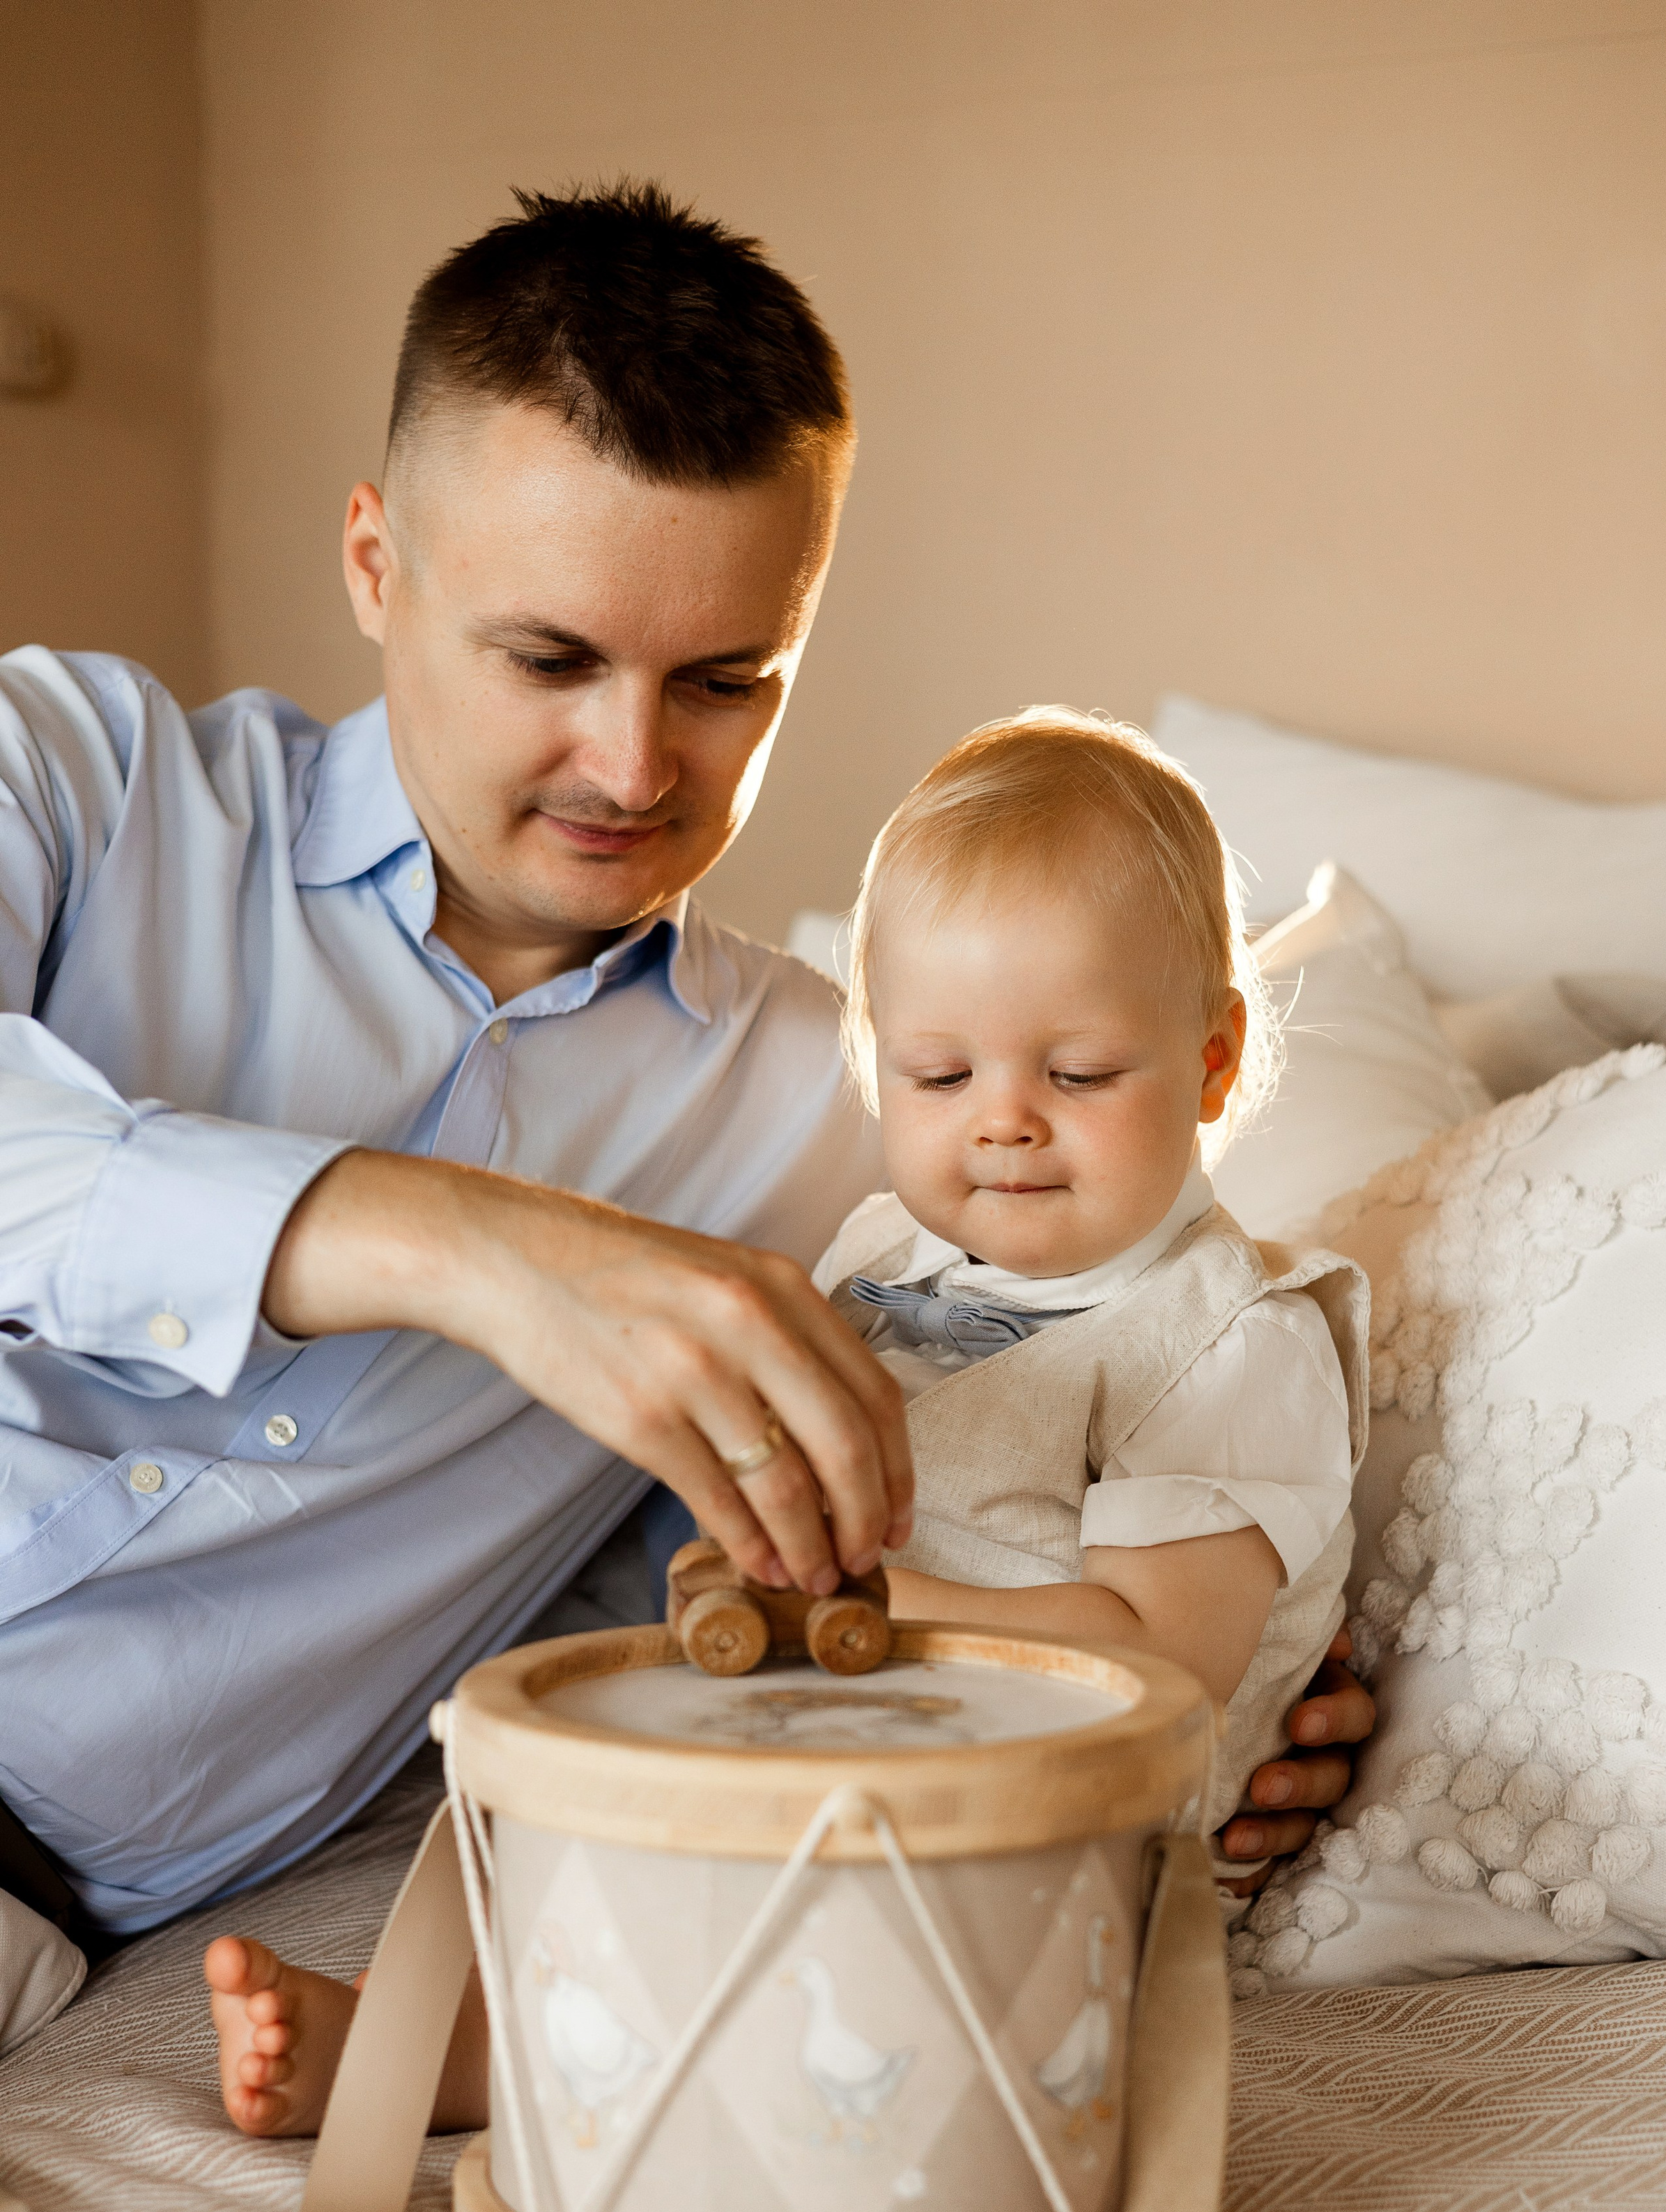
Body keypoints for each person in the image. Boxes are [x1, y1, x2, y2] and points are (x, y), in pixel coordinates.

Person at [0, 180, 1365, 2097]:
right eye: (550, 661)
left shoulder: (853, 1117)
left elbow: (869, 1498)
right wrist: (466, 1246)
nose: (638, 771)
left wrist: (1210, 1705)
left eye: (728, 683)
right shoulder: (74, 778)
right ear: (377, 566)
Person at [824, 708, 1368, 1848]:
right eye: (939, 1074)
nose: (1005, 1121)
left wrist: (855, 1612)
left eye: (1077, 1074)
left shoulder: (1229, 1347)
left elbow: (1161, 1672)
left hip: (1067, 1850)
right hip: (842, 1771)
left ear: (1211, 1060)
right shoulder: (875, 1255)